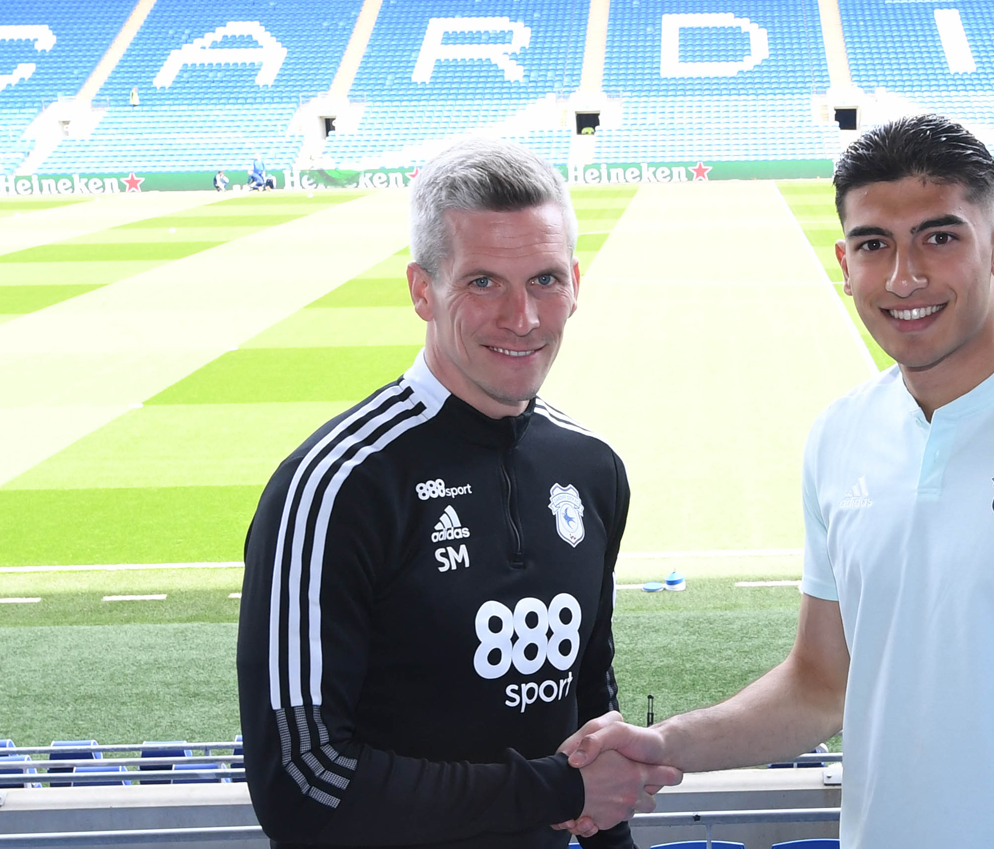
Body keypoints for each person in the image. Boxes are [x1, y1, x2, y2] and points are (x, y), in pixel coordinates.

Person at [558, 115, 994, 848]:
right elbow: (820, 684)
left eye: (939, 236)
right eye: (874, 245)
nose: (904, 277)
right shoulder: (841, 436)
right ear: (843, 262)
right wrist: (665, 743)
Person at [236, 138, 679, 849]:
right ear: (421, 290)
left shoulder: (592, 469)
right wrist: (558, 789)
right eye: (482, 283)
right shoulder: (337, 485)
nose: (523, 318)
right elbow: (300, 785)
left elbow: (589, 707)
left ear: (575, 281)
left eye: (544, 280)